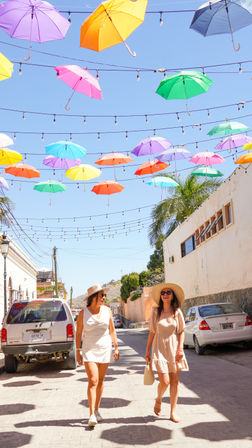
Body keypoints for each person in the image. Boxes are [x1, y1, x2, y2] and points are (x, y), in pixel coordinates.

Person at [75, 284, 120, 427]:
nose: (104, 298)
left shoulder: (107, 311)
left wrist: (116, 347)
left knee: (100, 380)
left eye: (104, 295)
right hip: (89, 350)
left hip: (105, 349)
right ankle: (91, 414)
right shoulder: (83, 313)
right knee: (93, 380)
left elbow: (112, 330)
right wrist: (78, 350)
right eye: (102, 295)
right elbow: (78, 333)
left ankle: (97, 409)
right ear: (94, 297)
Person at [145, 283, 188, 423]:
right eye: (163, 293)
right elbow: (152, 332)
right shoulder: (156, 312)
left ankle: (172, 412)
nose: (165, 295)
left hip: (174, 349)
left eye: (168, 292)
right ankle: (158, 398)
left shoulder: (177, 312)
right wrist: (147, 351)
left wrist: (180, 349)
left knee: (174, 382)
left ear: (172, 295)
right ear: (160, 296)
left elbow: (181, 331)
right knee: (165, 381)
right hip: (159, 349)